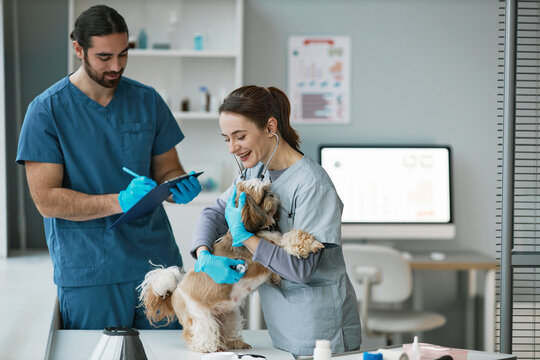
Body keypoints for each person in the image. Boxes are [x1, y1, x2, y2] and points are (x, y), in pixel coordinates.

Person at [15, 5, 201, 330]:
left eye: (123, 54)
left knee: (171, 352)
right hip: (90, 269)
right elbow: (46, 200)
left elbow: (168, 169)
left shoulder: (148, 101)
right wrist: (120, 201)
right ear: (78, 49)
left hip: (156, 264)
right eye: (104, 57)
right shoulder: (46, 112)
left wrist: (178, 186)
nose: (116, 66)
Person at [190, 85, 362, 355]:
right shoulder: (254, 172)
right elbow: (213, 213)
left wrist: (245, 237)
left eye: (240, 136)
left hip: (319, 330)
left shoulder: (313, 186)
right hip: (282, 325)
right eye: (226, 139)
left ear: (270, 126)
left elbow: (301, 270)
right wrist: (203, 253)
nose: (233, 148)